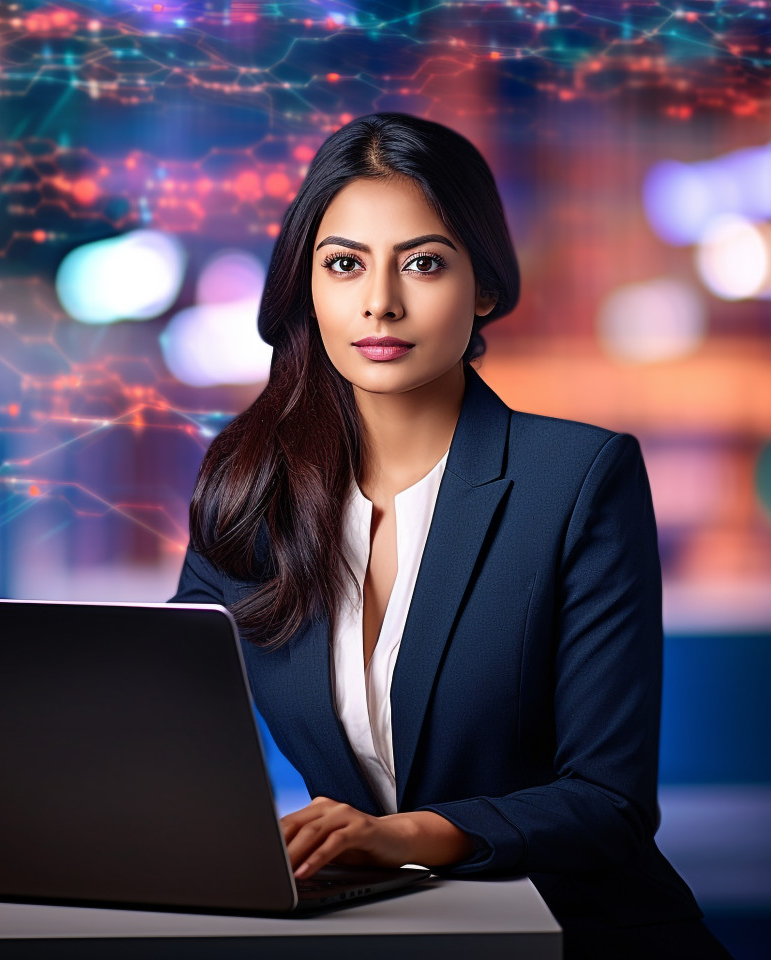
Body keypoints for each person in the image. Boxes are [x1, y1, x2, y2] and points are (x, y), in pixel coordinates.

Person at [169, 112, 731, 959]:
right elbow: (168, 728)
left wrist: (401, 836)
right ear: (305, 286)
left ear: (485, 288)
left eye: (423, 263)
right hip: (371, 933)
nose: (380, 303)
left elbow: (609, 801)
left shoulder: (577, 480)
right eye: (345, 264)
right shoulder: (248, 490)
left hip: (575, 934)